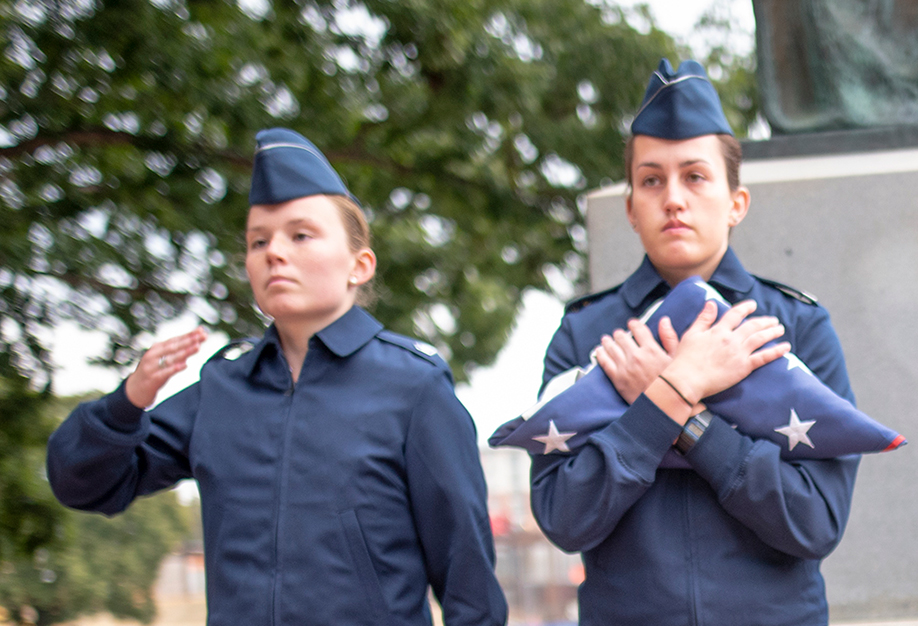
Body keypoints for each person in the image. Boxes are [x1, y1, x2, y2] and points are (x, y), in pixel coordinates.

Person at [44, 128, 508, 625]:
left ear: (360, 264)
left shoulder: (413, 387)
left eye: (300, 234)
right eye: (257, 241)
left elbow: (468, 576)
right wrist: (126, 404)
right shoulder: (222, 388)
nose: (274, 253)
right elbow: (84, 484)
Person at [526, 59, 859, 625]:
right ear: (631, 208)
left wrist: (679, 416)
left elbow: (815, 521)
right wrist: (673, 394)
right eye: (651, 180)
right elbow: (564, 516)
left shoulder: (795, 325)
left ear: (736, 203)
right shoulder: (585, 333)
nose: (673, 199)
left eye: (695, 176)